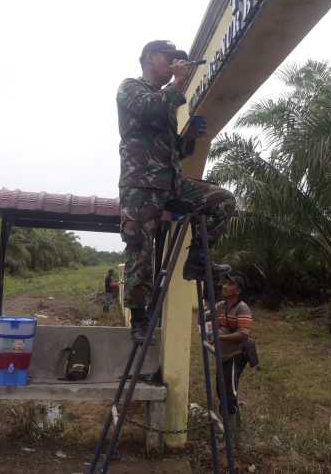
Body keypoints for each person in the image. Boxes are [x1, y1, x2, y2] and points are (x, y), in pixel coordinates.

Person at [117, 40, 235, 342]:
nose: (173, 65)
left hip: (170, 184)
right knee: (141, 252)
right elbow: (147, 109)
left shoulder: (165, 100)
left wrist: (191, 137)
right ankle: (140, 320)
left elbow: (174, 153)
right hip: (140, 187)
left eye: (175, 61)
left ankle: (196, 260)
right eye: (168, 58)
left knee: (223, 201)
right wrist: (179, 84)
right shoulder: (131, 88)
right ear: (149, 58)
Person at [215, 272, 254, 440]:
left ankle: (230, 435)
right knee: (220, 389)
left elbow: (243, 334)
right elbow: (209, 320)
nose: (225, 286)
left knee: (229, 392)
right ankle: (232, 428)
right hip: (222, 354)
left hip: (235, 355)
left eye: (229, 284)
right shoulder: (220, 306)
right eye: (225, 283)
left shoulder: (242, 308)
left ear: (237, 290)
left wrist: (221, 337)